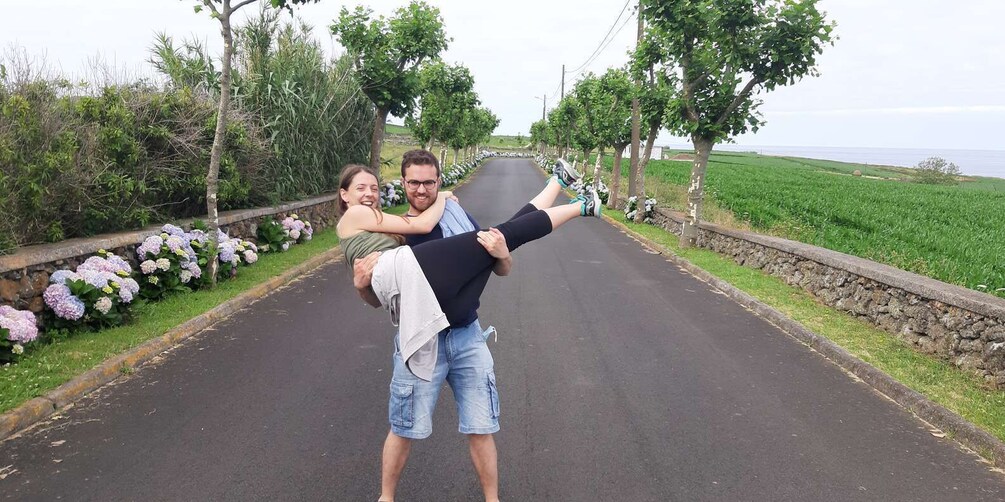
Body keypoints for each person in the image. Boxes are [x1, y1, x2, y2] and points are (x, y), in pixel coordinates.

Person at [341, 150, 592, 502]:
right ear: (403, 183)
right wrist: (360, 286)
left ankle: (560, 186)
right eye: (414, 183)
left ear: (438, 180)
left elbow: (499, 266)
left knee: (482, 425)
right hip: (422, 337)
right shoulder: (395, 227)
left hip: (466, 336)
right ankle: (579, 204)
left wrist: (502, 253)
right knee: (403, 426)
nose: (422, 189)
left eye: (430, 183)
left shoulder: (422, 222)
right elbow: (381, 296)